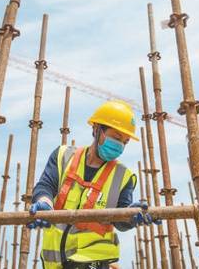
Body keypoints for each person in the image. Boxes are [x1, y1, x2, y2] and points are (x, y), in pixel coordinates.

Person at [28, 100, 160, 269]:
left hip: (94, 261)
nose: (119, 145)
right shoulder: (63, 155)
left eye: (125, 142)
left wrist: (131, 216)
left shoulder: (122, 176)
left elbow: (120, 221)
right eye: (116, 137)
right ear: (97, 129)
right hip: (54, 263)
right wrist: (44, 202)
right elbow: (46, 185)